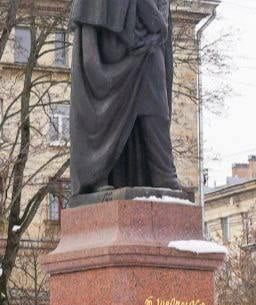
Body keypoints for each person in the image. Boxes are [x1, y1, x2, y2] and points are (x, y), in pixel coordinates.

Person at [69, 0, 180, 199]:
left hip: (148, 42)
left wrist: (159, 26)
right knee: (103, 109)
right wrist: (157, 23)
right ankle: (96, 176)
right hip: (112, 37)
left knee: (156, 108)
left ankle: (164, 175)